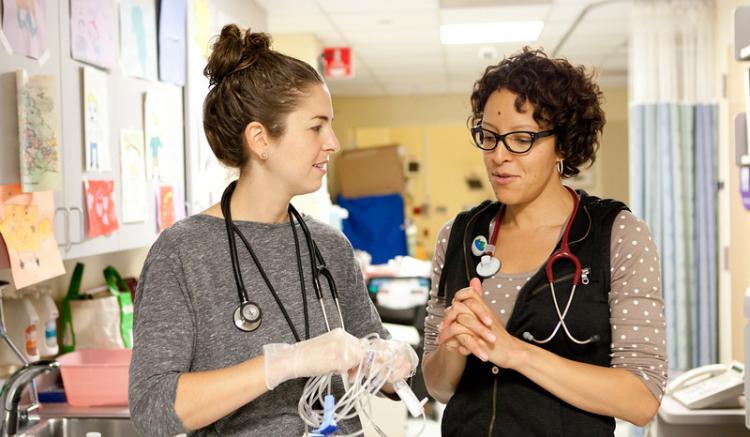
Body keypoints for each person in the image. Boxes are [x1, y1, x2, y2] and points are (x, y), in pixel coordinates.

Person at [128, 24, 417, 437]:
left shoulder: (329, 247)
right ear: (260, 139)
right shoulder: (183, 252)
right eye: (316, 127)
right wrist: (283, 363)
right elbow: (153, 407)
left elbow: (376, 360)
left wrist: (391, 360)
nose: (333, 142)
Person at [421, 47, 667, 436]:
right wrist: (452, 348)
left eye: (521, 139)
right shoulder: (459, 235)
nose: (499, 156)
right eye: (489, 137)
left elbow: (641, 399)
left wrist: (515, 353)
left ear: (564, 145)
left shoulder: (617, 234)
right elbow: (438, 387)